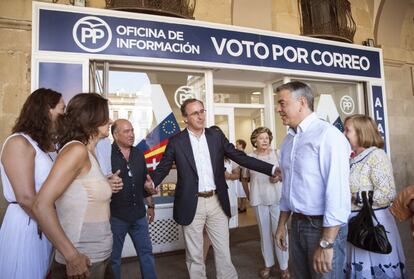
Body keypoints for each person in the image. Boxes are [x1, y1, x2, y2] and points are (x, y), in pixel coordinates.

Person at [145, 98, 279, 279]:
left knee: (223, 251)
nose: (201, 116)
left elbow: (241, 157)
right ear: (185, 118)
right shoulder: (177, 141)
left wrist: (271, 169)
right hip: (192, 202)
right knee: (195, 255)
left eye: (202, 111)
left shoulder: (215, 137)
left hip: (217, 201)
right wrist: (151, 182)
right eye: (195, 113)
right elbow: (163, 167)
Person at [274, 81, 351, 279]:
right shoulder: (289, 140)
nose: (277, 109)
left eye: (282, 104)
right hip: (297, 224)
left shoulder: (328, 135)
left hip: (323, 229)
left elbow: (337, 193)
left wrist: (327, 243)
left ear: (301, 102)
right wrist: (282, 224)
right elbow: (288, 188)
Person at [33, 93, 113, 278]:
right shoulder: (76, 150)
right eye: (105, 115)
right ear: (91, 118)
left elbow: (81, 193)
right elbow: (41, 204)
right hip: (83, 262)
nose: (110, 120)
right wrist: (72, 256)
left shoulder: (90, 152)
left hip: (98, 256)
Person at [0, 88, 64, 279]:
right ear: (47, 109)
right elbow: (26, 198)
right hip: (27, 224)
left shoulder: (40, 146)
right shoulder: (18, 142)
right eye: (62, 108)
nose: (64, 114)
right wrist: (55, 232)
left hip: (41, 222)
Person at [343, 114, 407, 277]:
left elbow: (387, 193)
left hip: (372, 224)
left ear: (361, 132)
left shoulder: (376, 156)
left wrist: (354, 196)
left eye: (347, 130)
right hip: (355, 225)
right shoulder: (351, 158)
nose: (344, 134)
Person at [109, 119, 157, 279]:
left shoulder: (138, 153)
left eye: (132, 130)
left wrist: (151, 205)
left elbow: (145, 181)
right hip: (116, 217)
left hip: (138, 215)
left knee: (146, 254)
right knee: (113, 259)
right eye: (126, 131)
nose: (131, 134)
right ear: (115, 135)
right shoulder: (106, 155)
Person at [242, 127, 289, 279]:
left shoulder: (278, 154)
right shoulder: (249, 157)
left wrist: (278, 178)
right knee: (264, 234)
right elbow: (244, 178)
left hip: (277, 199)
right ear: (254, 140)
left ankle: (284, 267)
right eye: (261, 138)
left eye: (267, 137)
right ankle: (268, 264)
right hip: (258, 199)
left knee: (281, 232)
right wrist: (249, 195)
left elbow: (287, 175)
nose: (265, 140)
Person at [235, 139, 248, 213]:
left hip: (243, 175)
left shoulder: (243, 154)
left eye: (237, 144)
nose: (236, 145)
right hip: (239, 175)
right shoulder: (238, 153)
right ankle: (241, 206)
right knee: (240, 192)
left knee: (243, 192)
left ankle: (243, 207)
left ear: (241, 145)